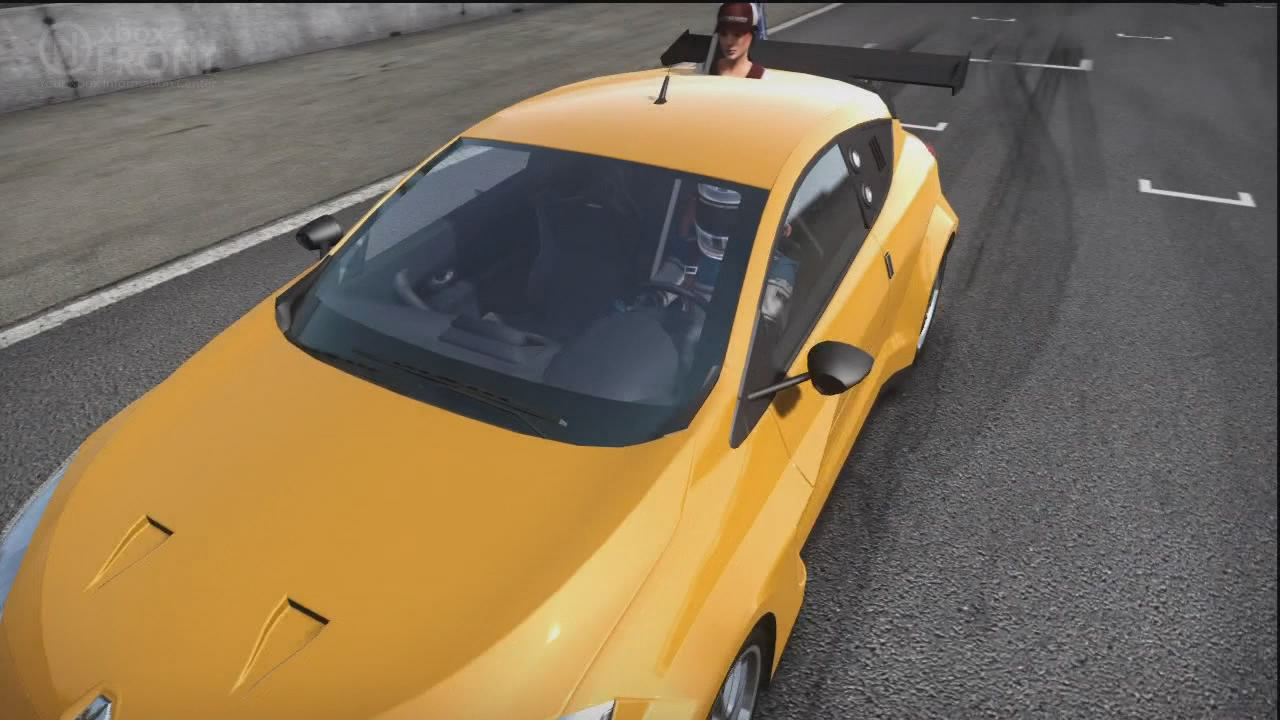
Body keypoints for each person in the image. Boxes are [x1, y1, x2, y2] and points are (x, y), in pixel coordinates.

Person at [711, 2, 767, 79]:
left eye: (737, 35)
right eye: (723, 34)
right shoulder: (702, 71)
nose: (729, 42)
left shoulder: (764, 79)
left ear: (751, 36)